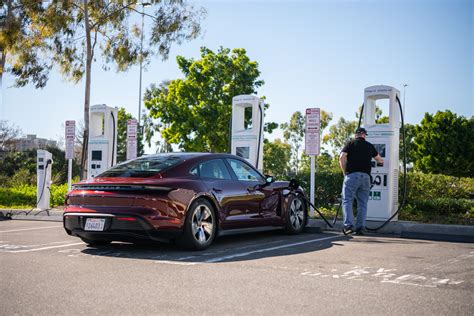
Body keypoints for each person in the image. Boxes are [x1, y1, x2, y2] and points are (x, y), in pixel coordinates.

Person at [339, 127, 383, 235]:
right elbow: (379, 159)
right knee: (362, 203)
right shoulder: (369, 146)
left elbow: (341, 157)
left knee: (347, 200)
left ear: (356, 135)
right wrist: (380, 162)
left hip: (352, 175)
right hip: (366, 178)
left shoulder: (350, 143)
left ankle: (349, 225)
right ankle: (361, 227)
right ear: (364, 135)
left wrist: (345, 172)